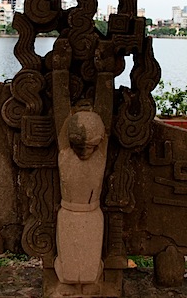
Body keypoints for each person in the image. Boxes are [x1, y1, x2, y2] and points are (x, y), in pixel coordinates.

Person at [51, 37, 114, 295]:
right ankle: (67, 287)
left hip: (91, 214)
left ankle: (89, 287)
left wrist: (105, 75)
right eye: (82, 145)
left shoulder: (98, 152)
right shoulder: (66, 151)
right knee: (67, 269)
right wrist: (59, 71)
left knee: (89, 268)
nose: (86, 151)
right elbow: (60, 109)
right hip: (69, 214)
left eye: (91, 146)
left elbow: (105, 112)